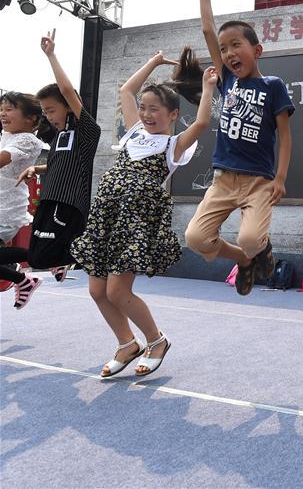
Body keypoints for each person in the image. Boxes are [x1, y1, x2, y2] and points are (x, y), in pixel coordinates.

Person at [70, 50, 212, 377]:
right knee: (96, 290)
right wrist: (154, 62)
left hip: (136, 220)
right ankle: (126, 343)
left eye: (155, 110)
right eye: (144, 108)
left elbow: (203, 122)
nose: (147, 114)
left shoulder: (173, 145)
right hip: (107, 216)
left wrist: (207, 88)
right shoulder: (134, 133)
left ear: (173, 114)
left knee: (117, 291)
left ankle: (156, 340)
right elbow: (125, 92)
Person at [184, 0, 295, 295]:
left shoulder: (272, 86)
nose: (230, 53)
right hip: (223, 180)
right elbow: (207, 29)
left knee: (250, 239)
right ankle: (244, 261)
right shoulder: (227, 81)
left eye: (237, 45)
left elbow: (285, 136)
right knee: (196, 238)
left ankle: (254, 249)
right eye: (224, 49)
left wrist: (280, 178)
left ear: (257, 50)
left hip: (259, 182)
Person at [17, 29, 101, 284]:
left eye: (51, 109)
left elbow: (66, 89)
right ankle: (64, 261)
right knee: (36, 257)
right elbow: (58, 163)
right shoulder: (58, 136)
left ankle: (87, 253)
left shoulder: (87, 131)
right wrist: (37, 169)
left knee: (44, 255)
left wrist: (51, 55)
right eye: (45, 111)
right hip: (48, 199)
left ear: (68, 105)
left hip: (68, 203)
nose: (48, 116)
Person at [0, 92, 50, 307]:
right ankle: (24, 279)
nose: (3, 113)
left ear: (30, 118)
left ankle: (51, 258)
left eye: (9, 109)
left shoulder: (29, 140)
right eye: (2, 109)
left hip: (6, 207)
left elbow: (3, 159)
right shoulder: (6, 134)